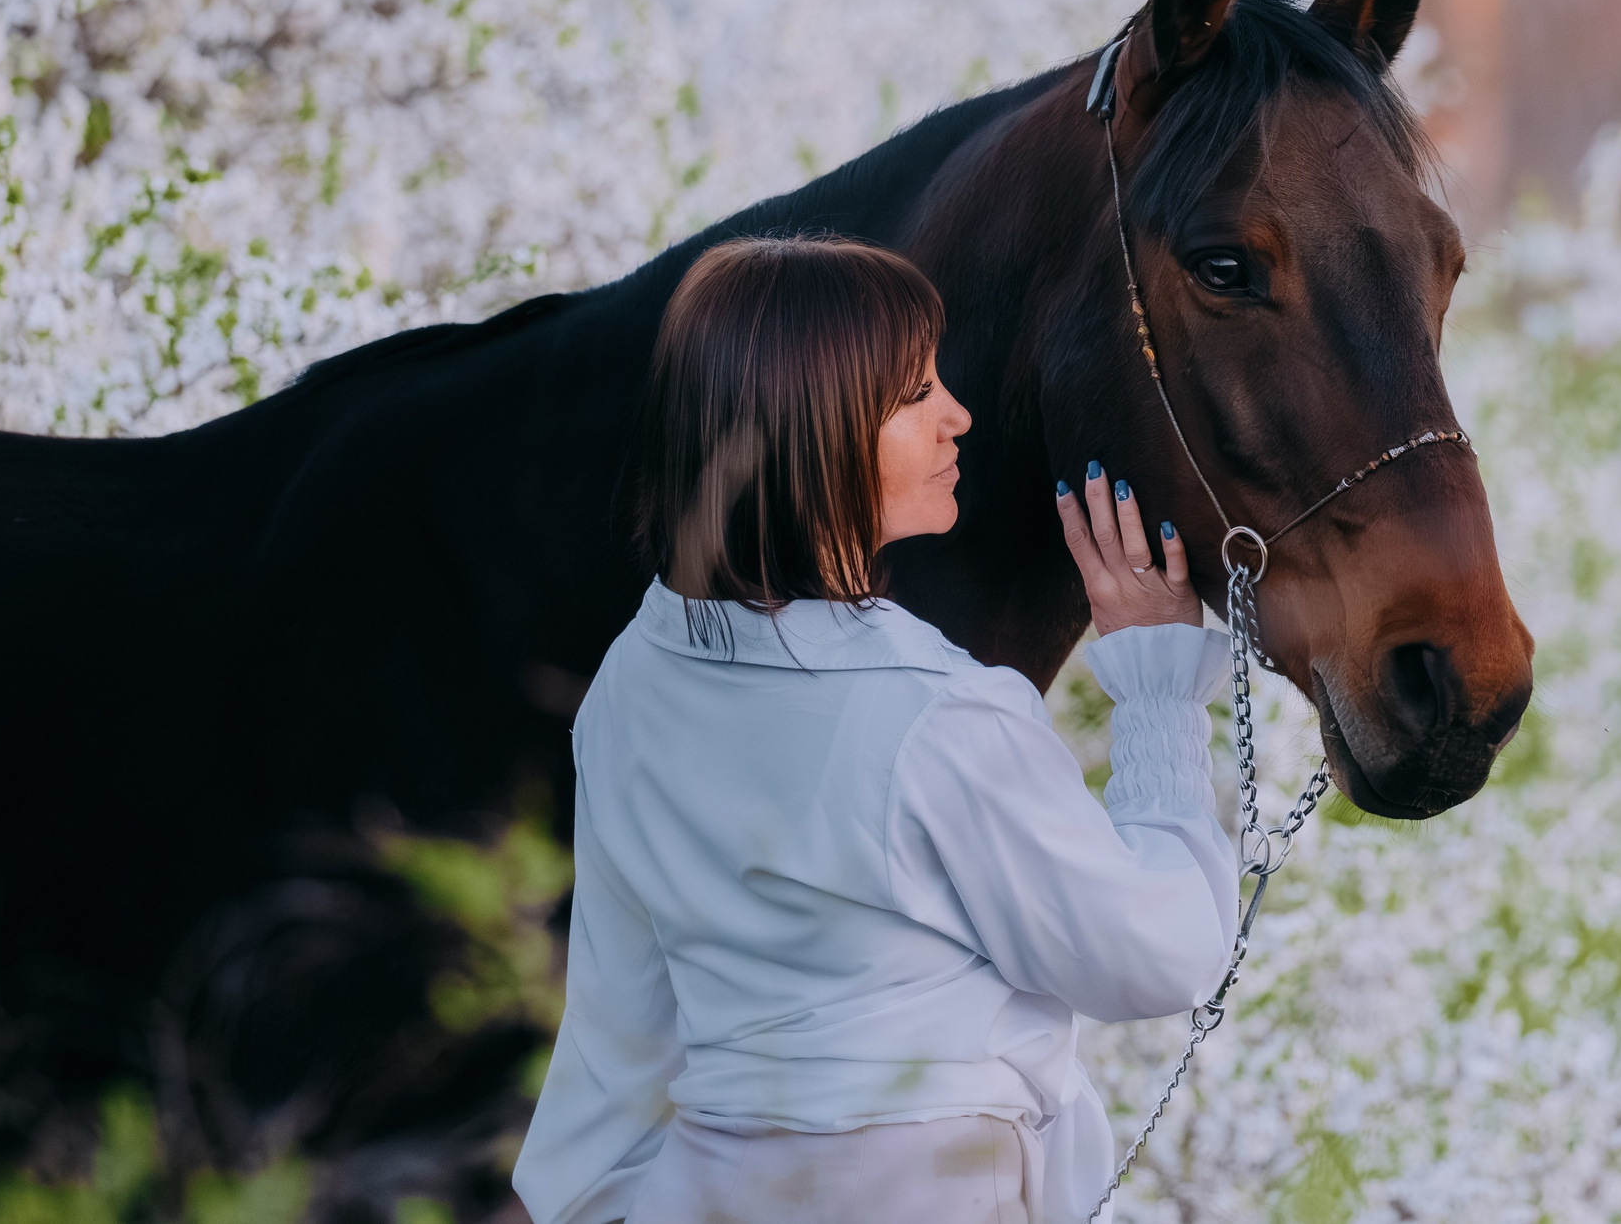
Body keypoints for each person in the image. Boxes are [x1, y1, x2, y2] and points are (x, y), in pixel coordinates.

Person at [511, 235, 1236, 1224]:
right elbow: (1159, 954)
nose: (957, 417)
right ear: (813, 429)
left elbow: (615, 1040)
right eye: (912, 396)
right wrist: (1157, 689)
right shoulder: (936, 719)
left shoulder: (634, 686)